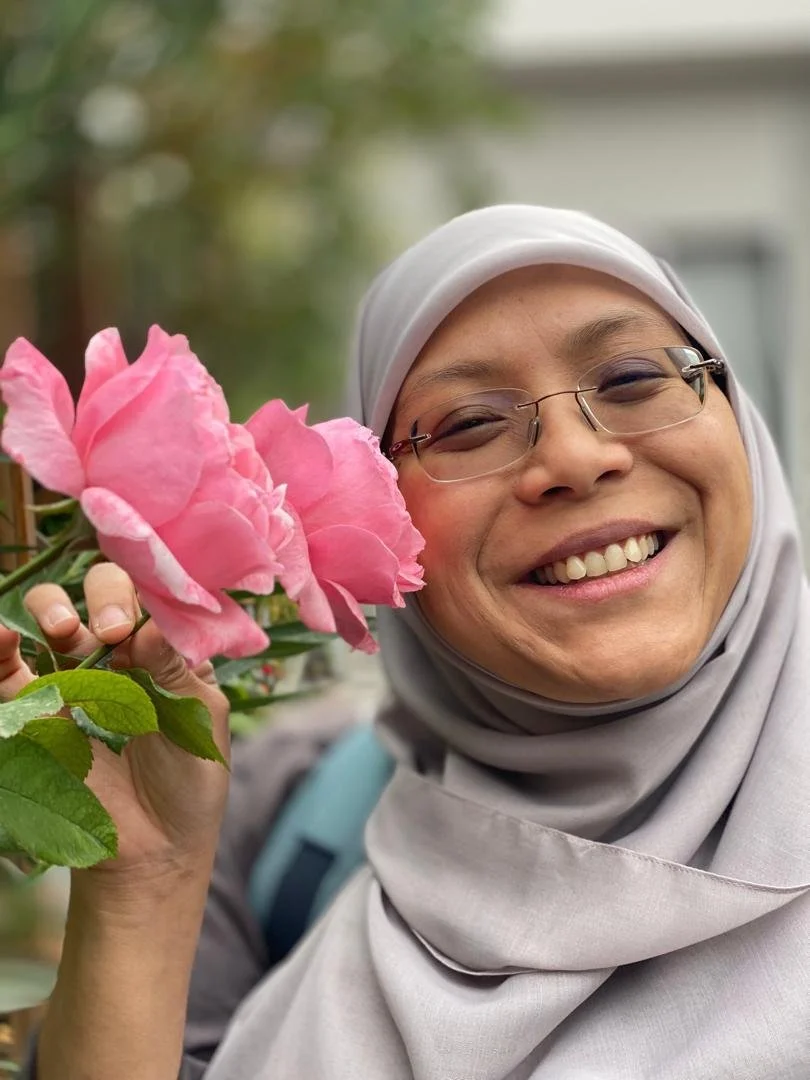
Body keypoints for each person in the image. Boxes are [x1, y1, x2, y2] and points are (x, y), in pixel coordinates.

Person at [5, 204, 809, 1079]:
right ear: (383, 505)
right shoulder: (278, 817)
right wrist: (144, 891)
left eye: (630, 379)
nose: (578, 460)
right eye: (466, 424)